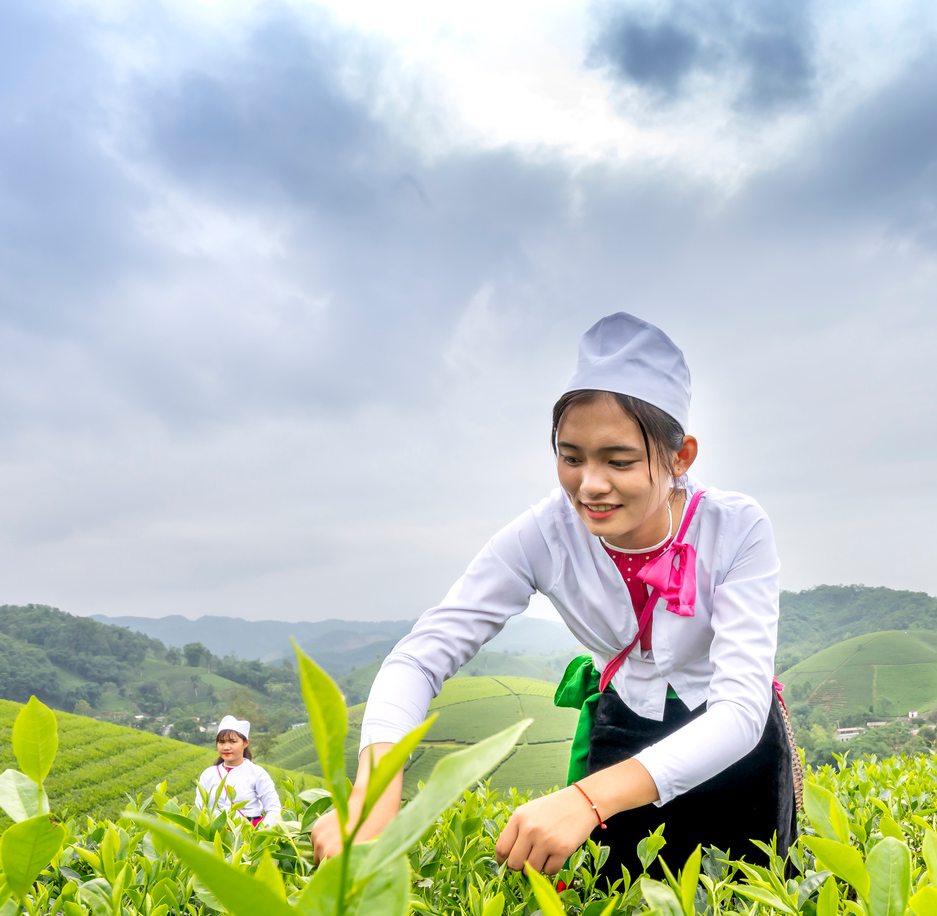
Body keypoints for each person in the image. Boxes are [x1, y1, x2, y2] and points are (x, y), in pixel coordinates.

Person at [309, 312, 794, 881]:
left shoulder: (735, 528)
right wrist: (374, 790)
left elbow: (738, 711)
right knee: (616, 909)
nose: (590, 485)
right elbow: (420, 657)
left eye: (619, 461)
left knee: (752, 910)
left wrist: (587, 799)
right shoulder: (544, 534)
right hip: (624, 732)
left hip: (735, 752)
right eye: (571, 457)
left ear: (681, 456)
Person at [196, 714, 283, 826]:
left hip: (250, 831)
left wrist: (260, 833)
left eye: (233, 742)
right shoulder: (208, 774)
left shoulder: (257, 773)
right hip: (218, 832)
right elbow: (200, 808)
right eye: (221, 742)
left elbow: (274, 810)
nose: (226, 747)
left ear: (245, 743)